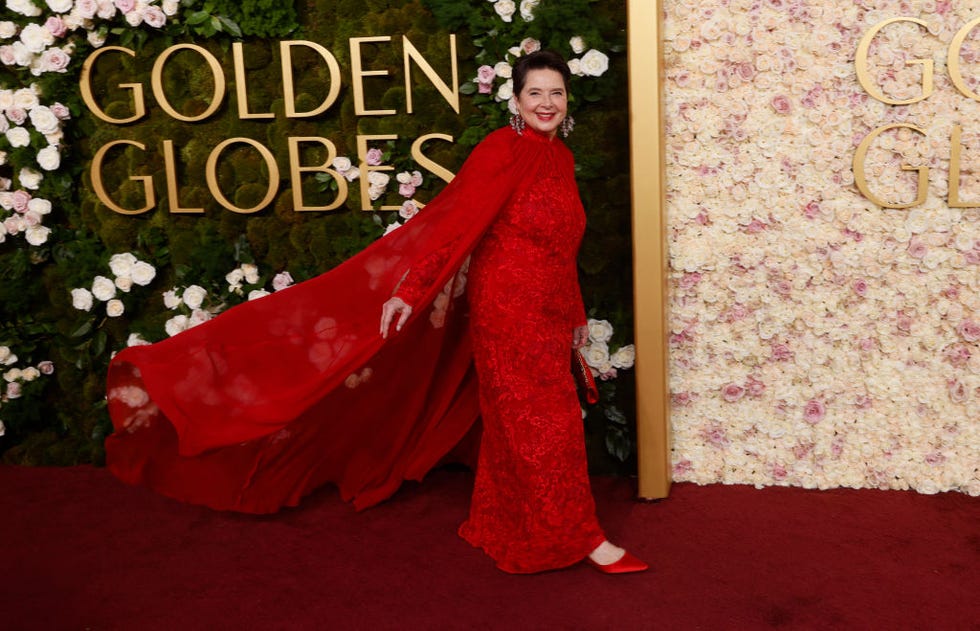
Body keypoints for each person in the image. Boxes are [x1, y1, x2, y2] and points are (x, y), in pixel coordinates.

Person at [104, 51, 645, 574]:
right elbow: (452, 223)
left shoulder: (561, 158)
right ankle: (584, 536)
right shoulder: (502, 149)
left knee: (519, 427)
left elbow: (562, 246)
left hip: (549, 313)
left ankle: (507, 523)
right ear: (516, 99)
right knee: (542, 426)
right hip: (507, 311)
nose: (547, 103)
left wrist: (572, 313)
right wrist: (406, 293)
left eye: (556, 93)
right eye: (535, 93)